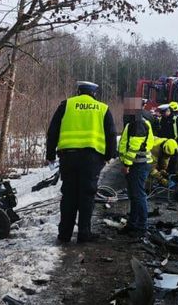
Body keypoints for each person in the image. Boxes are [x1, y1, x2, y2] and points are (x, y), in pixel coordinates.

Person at [45, 81, 116, 244]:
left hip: (68, 158)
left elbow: (53, 131)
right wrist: (109, 156)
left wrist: (50, 154)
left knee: (69, 195)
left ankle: (64, 234)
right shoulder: (102, 108)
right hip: (92, 159)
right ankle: (84, 234)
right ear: (94, 93)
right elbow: (111, 134)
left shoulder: (66, 105)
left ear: (78, 91)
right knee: (87, 196)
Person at [119, 109, 156, 236]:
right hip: (137, 164)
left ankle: (141, 226)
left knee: (138, 195)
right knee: (134, 195)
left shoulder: (138, 123)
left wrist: (126, 164)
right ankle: (133, 224)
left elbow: (134, 145)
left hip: (138, 164)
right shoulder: (136, 122)